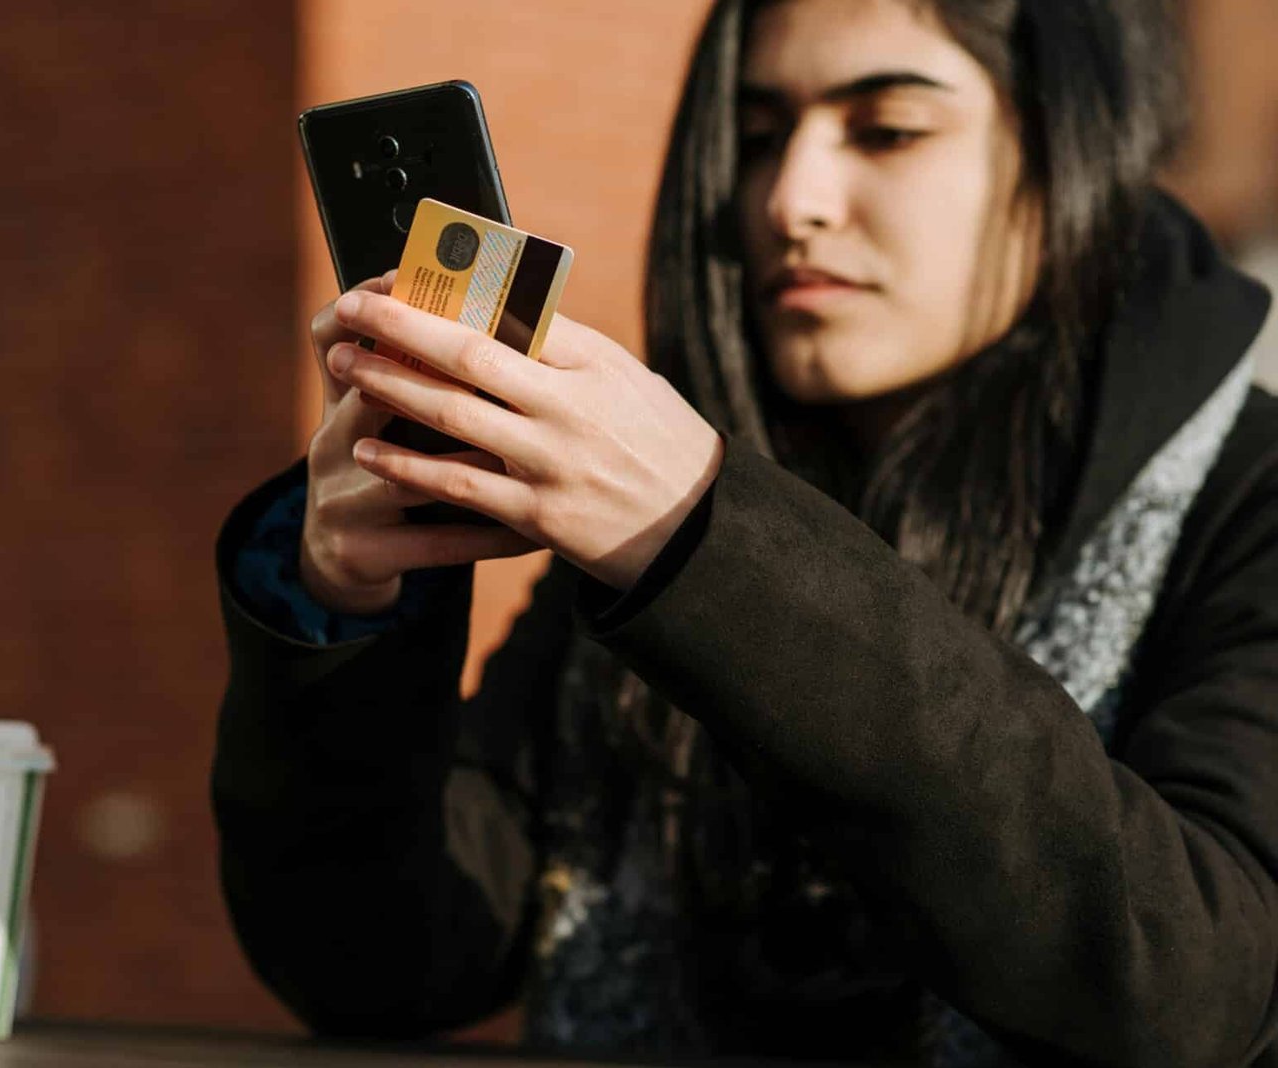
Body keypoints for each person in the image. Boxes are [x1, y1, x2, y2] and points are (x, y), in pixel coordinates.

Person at [213, 0, 1278, 1063]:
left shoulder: (1248, 494)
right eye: (757, 137)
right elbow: (379, 967)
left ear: (1067, 151)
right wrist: (344, 607)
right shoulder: (647, 510)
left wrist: (705, 538)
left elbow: (1196, 991)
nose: (790, 200)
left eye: (888, 131)